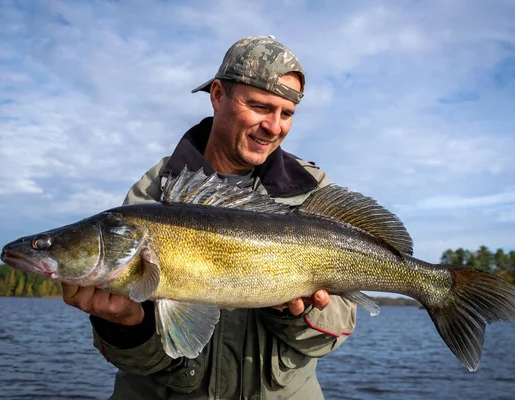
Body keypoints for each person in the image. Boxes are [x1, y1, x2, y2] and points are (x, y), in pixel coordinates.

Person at [61, 35, 357, 399]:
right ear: (218, 95)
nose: (274, 126)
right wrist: (126, 328)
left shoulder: (312, 192)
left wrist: (293, 315)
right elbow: (140, 359)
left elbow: (336, 330)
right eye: (260, 106)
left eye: (287, 114)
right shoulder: (154, 193)